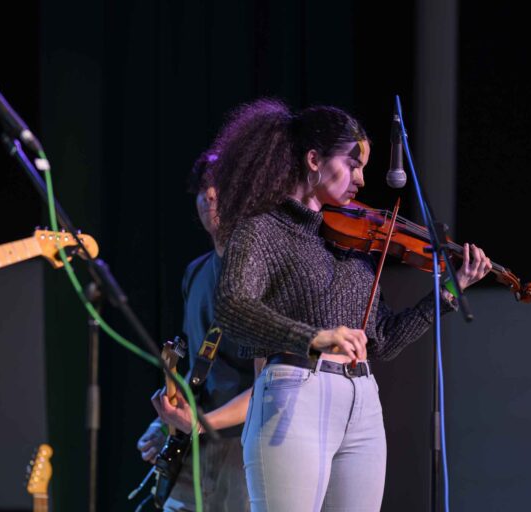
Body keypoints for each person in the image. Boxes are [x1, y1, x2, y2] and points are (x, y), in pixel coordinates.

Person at [153, 99, 491, 511]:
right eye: (353, 164)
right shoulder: (262, 229)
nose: (362, 180)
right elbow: (233, 309)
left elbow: (381, 340)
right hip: (294, 392)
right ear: (313, 159)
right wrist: (313, 337)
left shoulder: (353, 243)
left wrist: (446, 294)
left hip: (362, 399)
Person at [137, 150, 257, 511]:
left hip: (242, 445)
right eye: (203, 188)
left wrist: (202, 423)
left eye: (220, 187)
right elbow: (198, 368)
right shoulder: (195, 272)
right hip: (193, 444)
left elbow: (272, 383)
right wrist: (166, 425)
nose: (210, 196)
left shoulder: (260, 273)